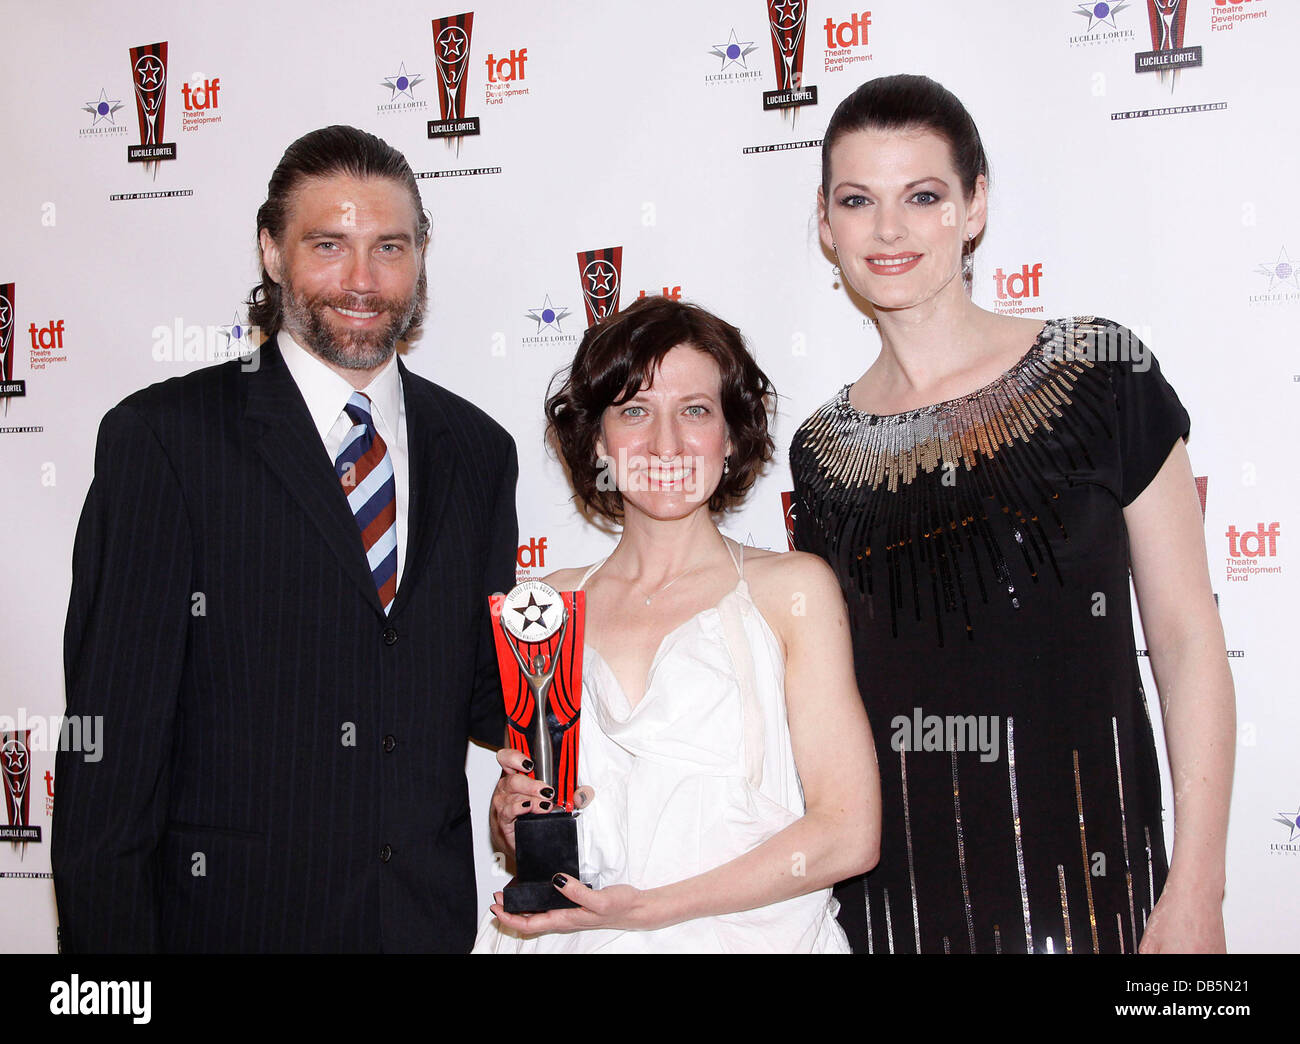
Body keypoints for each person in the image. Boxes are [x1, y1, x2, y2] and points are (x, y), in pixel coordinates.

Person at [789, 75, 1235, 954]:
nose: (888, 230)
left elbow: (1187, 640)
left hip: (1101, 900)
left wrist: (1199, 893)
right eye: (858, 200)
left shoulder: (1102, 373)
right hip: (895, 912)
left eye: (922, 196)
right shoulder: (820, 455)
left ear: (975, 205)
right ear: (826, 222)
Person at [52, 125, 518, 952]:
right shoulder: (167, 440)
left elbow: (489, 691)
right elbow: (108, 763)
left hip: (423, 928)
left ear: (422, 254)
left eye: (390, 247)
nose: (363, 280)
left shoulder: (479, 451)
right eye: (328, 245)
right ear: (271, 251)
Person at [475, 296, 880, 952]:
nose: (666, 444)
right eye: (635, 410)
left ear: (730, 434)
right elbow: (537, 833)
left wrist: (650, 910)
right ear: (599, 438)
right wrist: (512, 813)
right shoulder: (543, 605)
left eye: (695, 410)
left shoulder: (791, 591)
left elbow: (847, 834)